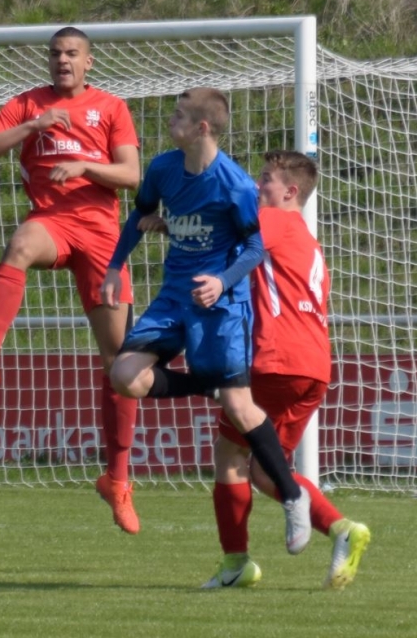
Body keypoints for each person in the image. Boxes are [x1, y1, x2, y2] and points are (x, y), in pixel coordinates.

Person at [101, 88, 313, 559]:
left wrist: (221, 281)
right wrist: (115, 267)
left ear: (201, 128)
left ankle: (293, 495)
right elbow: (140, 214)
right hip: (174, 296)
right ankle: (206, 383)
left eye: (178, 116)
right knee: (124, 376)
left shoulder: (234, 184)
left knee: (239, 405)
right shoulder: (162, 168)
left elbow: (254, 249)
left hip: (221, 302)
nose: (169, 121)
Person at [0, 26, 143, 534]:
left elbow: (132, 175)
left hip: (102, 236)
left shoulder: (111, 107)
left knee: (121, 367)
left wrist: (85, 165)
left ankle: (117, 480)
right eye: (56, 53)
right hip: (52, 223)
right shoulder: (28, 103)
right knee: (19, 245)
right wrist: (32, 126)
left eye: (72, 53)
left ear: (88, 62)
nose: (63, 60)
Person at [196, 151, 370, 589]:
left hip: (277, 359)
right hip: (313, 365)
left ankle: (236, 564)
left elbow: (222, 231)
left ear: (290, 191)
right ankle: (342, 529)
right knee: (264, 469)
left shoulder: (272, 221)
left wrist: (176, 220)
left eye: (266, 179)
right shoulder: (309, 241)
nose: (258, 187)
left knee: (230, 455)